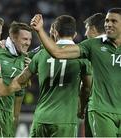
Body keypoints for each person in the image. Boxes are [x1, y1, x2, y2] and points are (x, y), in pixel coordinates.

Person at [31, 7, 121, 137]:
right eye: (107, 21)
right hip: (102, 111)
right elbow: (57, 52)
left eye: (114, 21)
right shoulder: (93, 45)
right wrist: (40, 30)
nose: (108, 24)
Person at [16, 15, 92, 137]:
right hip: (65, 120)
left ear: (55, 32)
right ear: (75, 34)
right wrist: (81, 108)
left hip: (41, 118)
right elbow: (87, 88)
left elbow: (20, 80)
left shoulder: (41, 54)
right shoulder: (83, 58)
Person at [0, 21, 32, 137]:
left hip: (7, 119)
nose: (28, 43)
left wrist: (32, 71)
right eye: (25, 39)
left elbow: (17, 108)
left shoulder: (25, 60)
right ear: (13, 38)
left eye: (30, 39)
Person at [82, 12, 106, 137]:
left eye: (86, 29)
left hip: (97, 108)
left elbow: (87, 85)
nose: (85, 34)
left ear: (93, 29)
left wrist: (81, 107)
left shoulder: (89, 49)